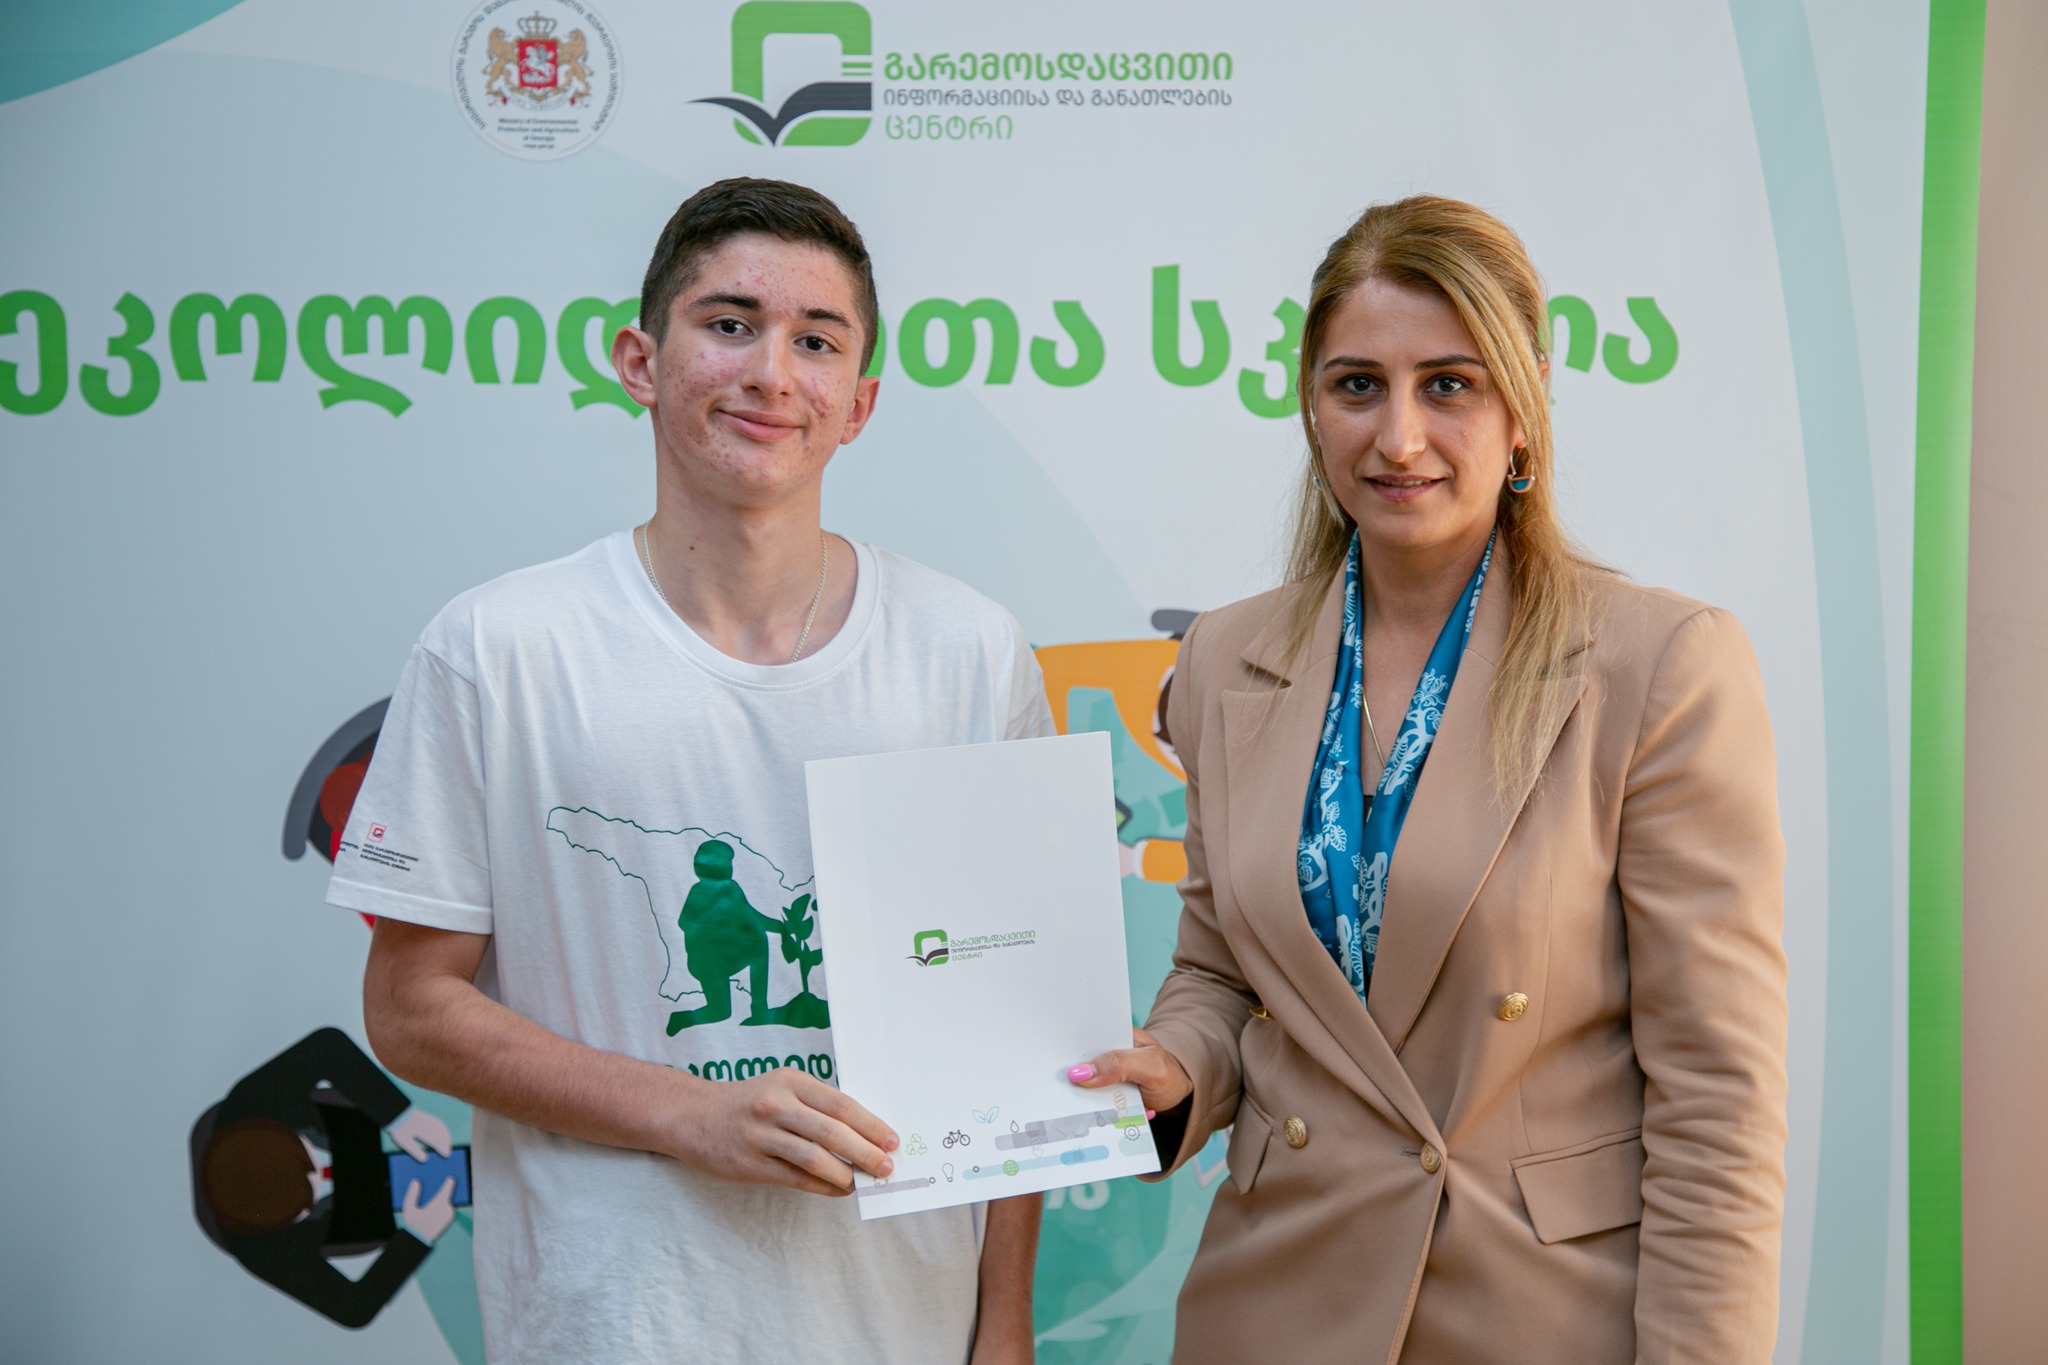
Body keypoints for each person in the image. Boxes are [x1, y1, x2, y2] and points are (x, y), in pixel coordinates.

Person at [330, 177, 1048, 1365]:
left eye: (815, 341)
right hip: (608, 1329)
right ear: (640, 360)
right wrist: (688, 1113)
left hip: (901, 1331)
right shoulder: (499, 648)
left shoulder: (968, 652)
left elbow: (1008, 1030)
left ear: (859, 402)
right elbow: (407, 1010)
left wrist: (1005, 1322)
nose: (771, 373)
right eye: (728, 324)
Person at [1074, 195, 1788, 1361]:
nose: (1397, 437)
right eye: (1357, 385)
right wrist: (1172, 1068)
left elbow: (1717, 1099)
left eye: (1447, 385)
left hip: (1535, 1315)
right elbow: (1219, 972)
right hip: (1273, 1303)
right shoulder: (1221, 657)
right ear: (1311, 406)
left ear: (1524, 407)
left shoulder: (1658, 664)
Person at [190, 1027, 459, 1328]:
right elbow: (353, 1309)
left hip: (344, 1126)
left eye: (314, 1165)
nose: (328, 1175)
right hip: (356, 1219)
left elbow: (327, 1046)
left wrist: (401, 1117)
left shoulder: (252, 1100)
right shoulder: (263, 1253)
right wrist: (417, 1235)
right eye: (312, 1193)